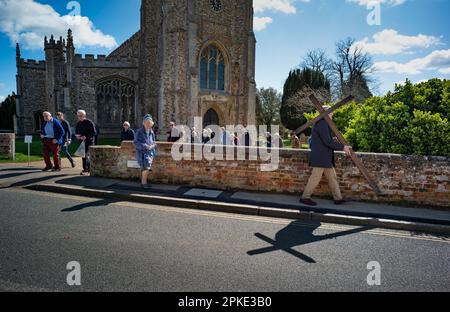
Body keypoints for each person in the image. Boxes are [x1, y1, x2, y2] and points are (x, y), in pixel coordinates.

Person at [300, 106, 352, 206]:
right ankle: (305, 197)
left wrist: (335, 141)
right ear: (326, 113)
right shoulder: (322, 123)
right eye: (331, 113)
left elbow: (328, 139)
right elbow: (327, 141)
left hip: (325, 157)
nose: (332, 115)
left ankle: (338, 198)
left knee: (332, 177)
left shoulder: (324, 123)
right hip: (321, 157)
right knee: (315, 178)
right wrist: (342, 147)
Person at [134, 114, 157, 189]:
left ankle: (144, 182)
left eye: (149, 123)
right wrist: (145, 146)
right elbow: (135, 142)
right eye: (146, 123)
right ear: (143, 123)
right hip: (142, 153)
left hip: (149, 153)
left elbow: (154, 142)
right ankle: (143, 183)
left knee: (147, 168)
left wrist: (152, 146)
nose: (148, 124)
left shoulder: (151, 132)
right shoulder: (139, 131)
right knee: (145, 168)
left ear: (151, 124)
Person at [75, 110, 97, 175]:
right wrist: (77, 136)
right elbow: (77, 132)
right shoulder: (78, 123)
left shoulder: (89, 122)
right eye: (78, 116)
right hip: (82, 142)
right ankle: (85, 169)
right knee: (83, 156)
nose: (79, 117)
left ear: (84, 115)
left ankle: (89, 169)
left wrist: (86, 137)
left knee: (88, 156)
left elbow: (94, 132)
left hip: (89, 142)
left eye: (81, 116)